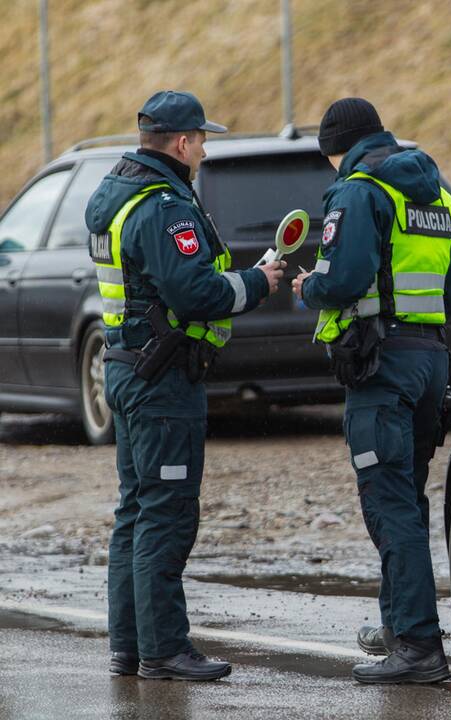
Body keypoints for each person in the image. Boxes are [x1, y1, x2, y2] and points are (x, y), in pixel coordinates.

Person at [85, 90, 285, 681]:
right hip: (162, 380)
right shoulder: (164, 206)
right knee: (166, 516)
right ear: (180, 142)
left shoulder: (116, 192)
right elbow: (194, 291)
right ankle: (165, 650)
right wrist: (258, 281)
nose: (203, 149)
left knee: (136, 513)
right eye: (201, 139)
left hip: (127, 368)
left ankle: (131, 646)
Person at [292, 97, 451, 684]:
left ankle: (418, 647)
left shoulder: (358, 190)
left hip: (381, 366)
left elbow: (344, 279)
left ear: (332, 149)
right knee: (406, 498)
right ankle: (399, 627)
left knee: (389, 506)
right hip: (430, 358)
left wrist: (310, 286)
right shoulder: (436, 193)